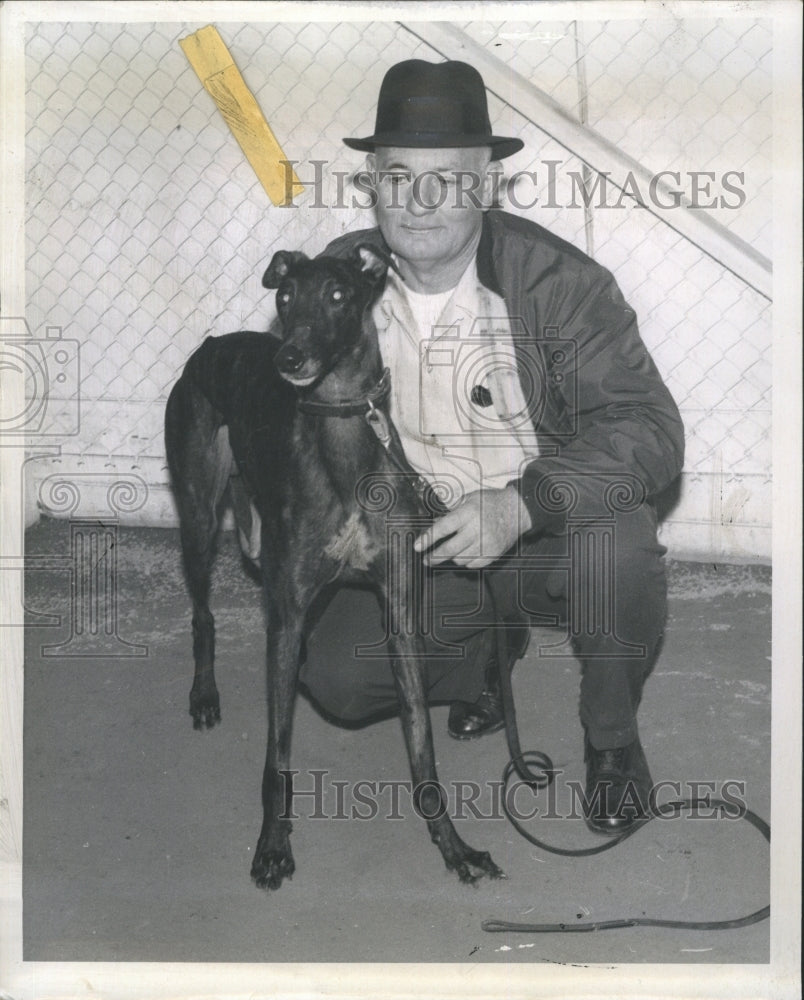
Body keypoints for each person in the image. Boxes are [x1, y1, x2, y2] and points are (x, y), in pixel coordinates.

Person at [297, 59, 684, 833]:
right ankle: (484, 657)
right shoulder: (343, 277)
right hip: (423, 541)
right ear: (371, 184)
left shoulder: (557, 284)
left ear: (486, 186)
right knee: (338, 679)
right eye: (399, 176)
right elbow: (300, 419)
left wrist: (521, 503)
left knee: (620, 543)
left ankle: (612, 743)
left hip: (543, 534)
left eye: (448, 178)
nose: (420, 201)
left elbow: (648, 430)